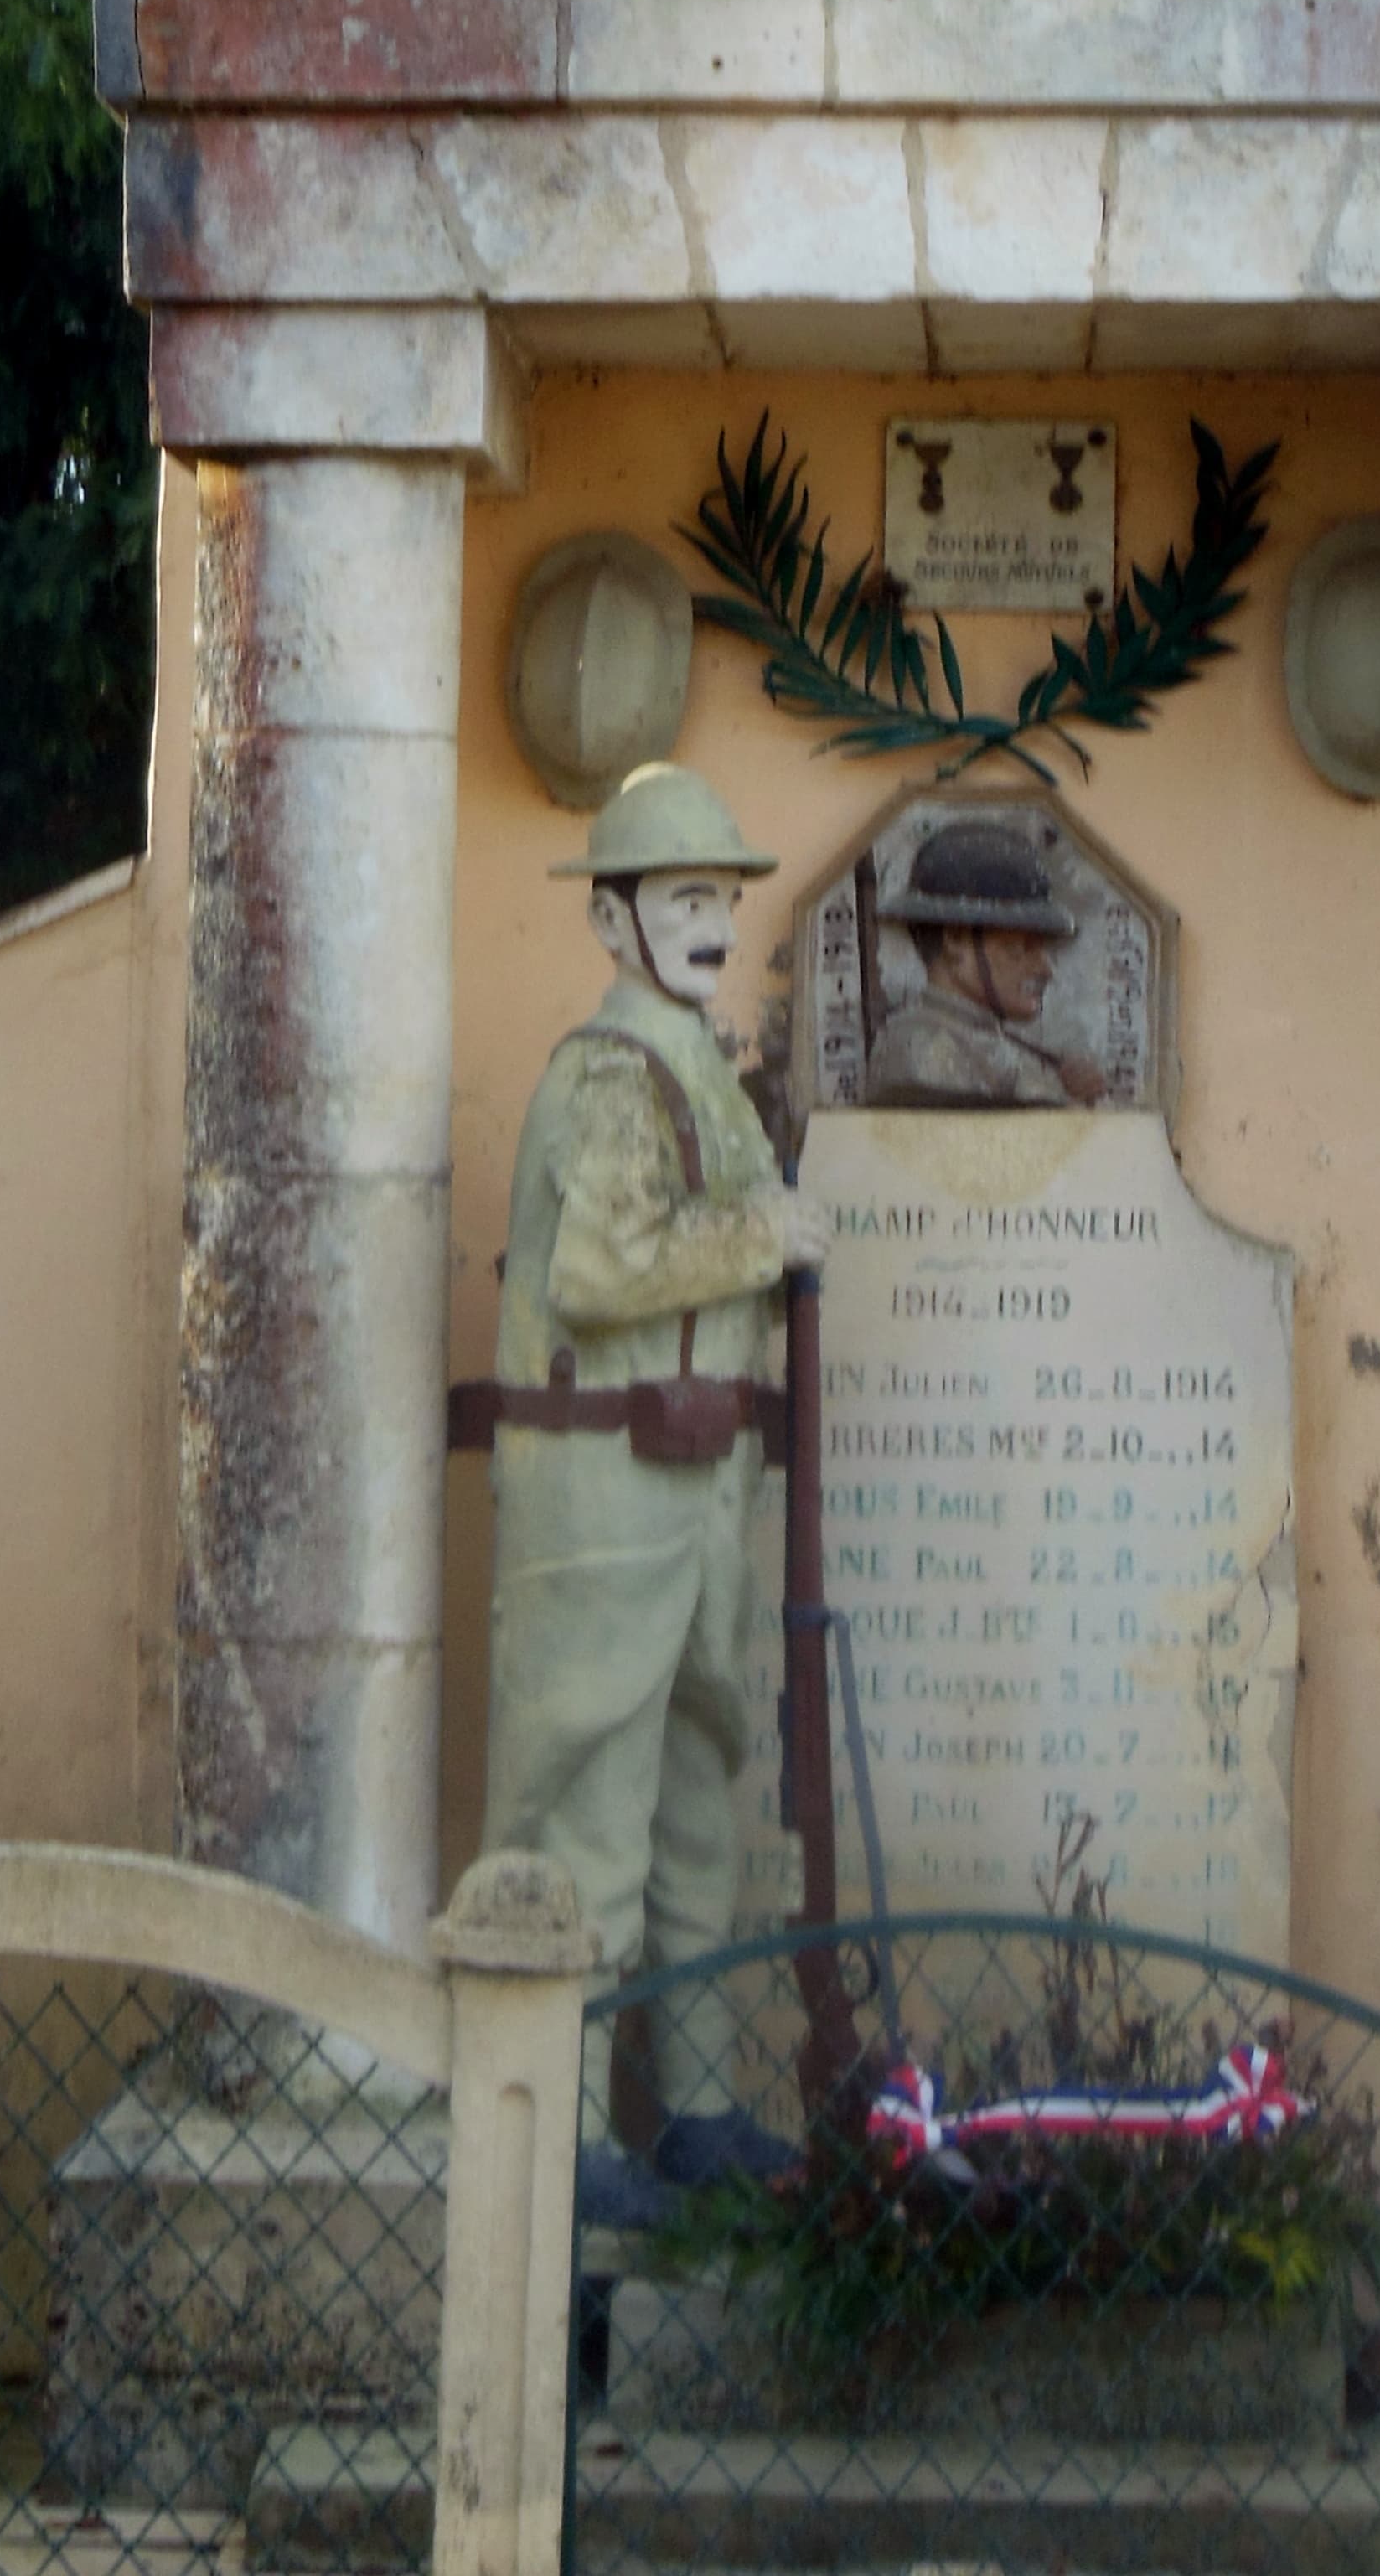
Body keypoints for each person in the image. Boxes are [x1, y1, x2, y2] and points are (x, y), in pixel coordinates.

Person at [476, 763, 830, 2225]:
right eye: (683, 898)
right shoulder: (606, 1073)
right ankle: (552, 2126)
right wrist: (764, 1229)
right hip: (606, 1484)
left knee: (697, 1802)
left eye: (720, 899)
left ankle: (688, 2105)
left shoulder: (698, 1067)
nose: (709, 924)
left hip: (696, 1485)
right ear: (615, 920)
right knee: (589, 1807)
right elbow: (602, 1271)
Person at [864, 820, 1103, 1107]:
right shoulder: (920, 1047)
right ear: (955, 940)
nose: (1045, 969)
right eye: (1020, 948)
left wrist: (1073, 1091)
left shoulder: (984, 1041)